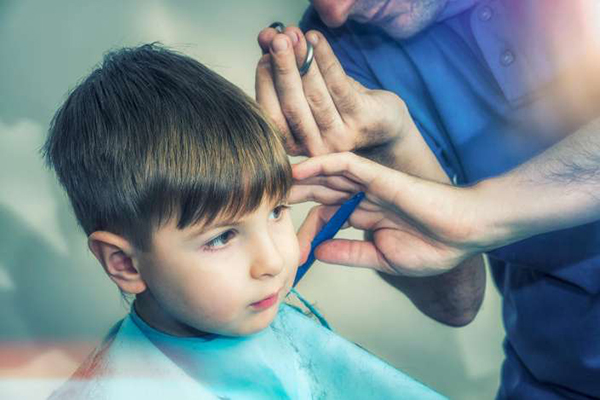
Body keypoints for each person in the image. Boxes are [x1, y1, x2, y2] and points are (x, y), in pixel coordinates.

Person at [42, 43, 447, 400]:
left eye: (276, 211)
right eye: (221, 238)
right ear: (125, 263)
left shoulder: (262, 313)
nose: (272, 261)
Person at [255, 0, 600, 398]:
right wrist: (394, 145)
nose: (337, 10)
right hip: (552, 377)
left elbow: (465, 223)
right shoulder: (336, 50)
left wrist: (476, 213)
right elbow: (458, 302)